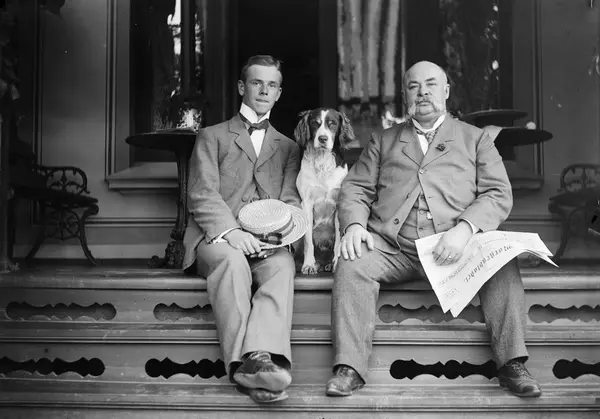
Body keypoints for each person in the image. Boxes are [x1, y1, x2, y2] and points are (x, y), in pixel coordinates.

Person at [325, 61, 542, 398]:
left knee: (502, 265)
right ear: (405, 95)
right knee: (352, 263)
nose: (423, 92)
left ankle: (512, 363)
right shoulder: (383, 140)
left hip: (457, 248)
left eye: (430, 84)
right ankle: (349, 367)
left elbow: (498, 193)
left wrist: (464, 230)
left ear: (446, 91)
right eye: (414, 86)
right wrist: (353, 225)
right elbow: (356, 189)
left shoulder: (475, 139)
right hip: (394, 249)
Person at [183, 55, 302, 404]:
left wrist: (278, 237)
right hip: (217, 239)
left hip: (266, 243)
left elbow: (290, 200)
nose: (264, 91)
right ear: (241, 87)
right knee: (233, 262)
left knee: (282, 265)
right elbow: (201, 194)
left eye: (272, 85)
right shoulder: (212, 136)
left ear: (279, 93)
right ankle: (243, 363)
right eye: (256, 83)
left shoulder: (288, 147)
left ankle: (261, 358)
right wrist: (232, 233)